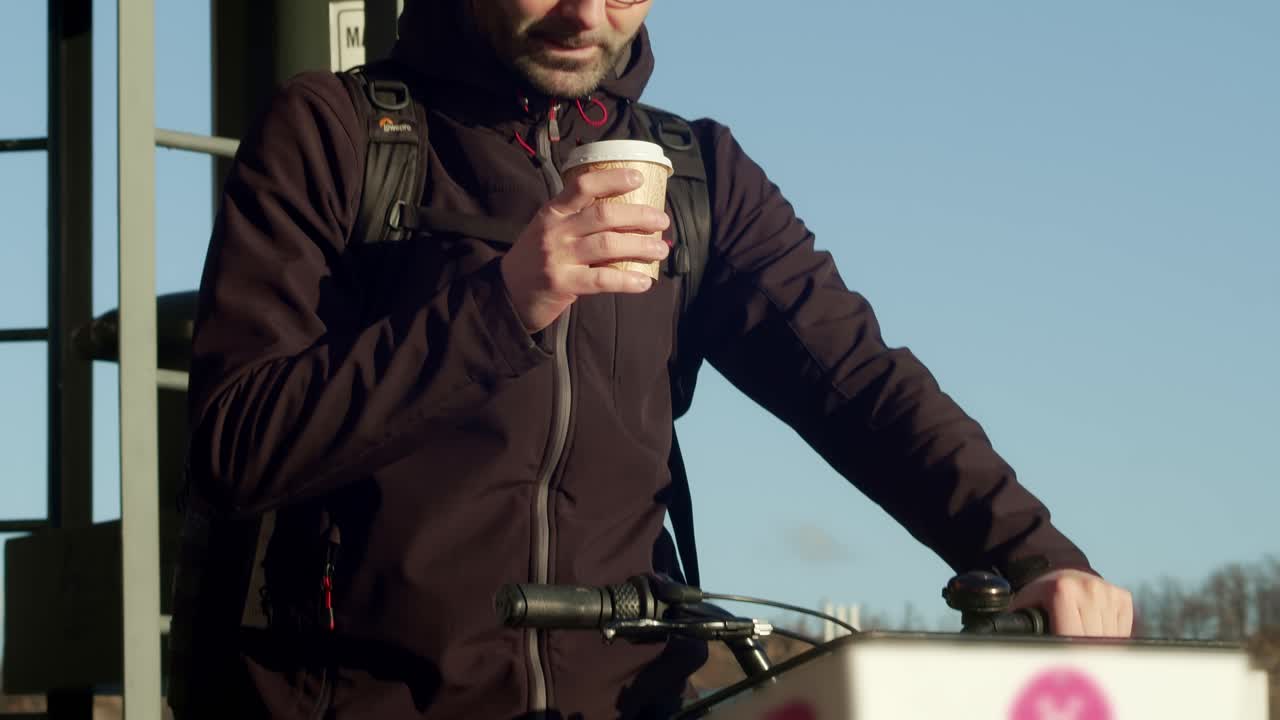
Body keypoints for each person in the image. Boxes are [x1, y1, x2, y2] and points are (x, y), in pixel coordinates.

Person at [171, 0, 1134, 718]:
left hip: (625, 700)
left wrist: (1032, 556)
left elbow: (860, 385)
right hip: (355, 701)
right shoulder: (335, 136)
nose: (586, 15)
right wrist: (504, 304)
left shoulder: (698, 174)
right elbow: (235, 442)